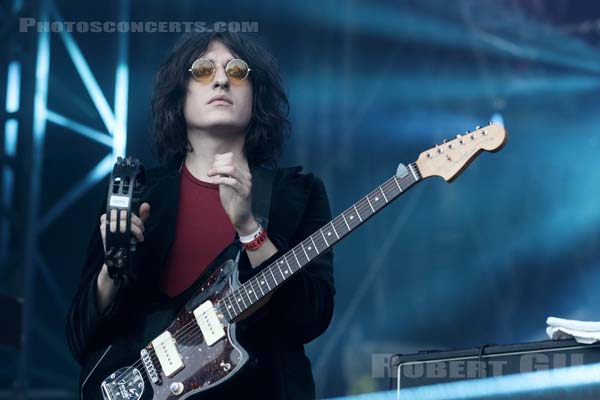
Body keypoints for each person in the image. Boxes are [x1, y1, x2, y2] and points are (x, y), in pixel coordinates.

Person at [66, 31, 335, 400]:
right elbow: (80, 339)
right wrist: (113, 267)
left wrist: (249, 229)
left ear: (257, 96)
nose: (222, 79)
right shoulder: (136, 195)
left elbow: (311, 318)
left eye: (238, 71)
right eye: (203, 70)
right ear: (180, 95)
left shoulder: (299, 193)